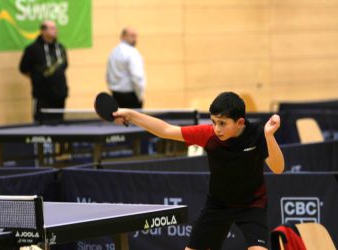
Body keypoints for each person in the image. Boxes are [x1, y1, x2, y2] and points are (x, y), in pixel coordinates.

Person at [113, 92, 285, 250]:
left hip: (252, 205)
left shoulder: (257, 134)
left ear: (240, 122)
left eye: (222, 123)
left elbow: (278, 169)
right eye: (214, 122)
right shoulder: (209, 135)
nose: (216, 128)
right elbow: (167, 130)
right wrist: (131, 115)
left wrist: (269, 136)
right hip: (218, 205)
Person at [19, 20, 68, 124]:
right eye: (52, 28)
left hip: (59, 95)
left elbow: (64, 66)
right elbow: (23, 69)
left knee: (59, 125)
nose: (55, 30)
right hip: (42, 96)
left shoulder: (61, 48)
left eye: (55, 28)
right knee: (41, 124)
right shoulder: (32, 49)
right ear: (43, 31)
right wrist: (38, 78)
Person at [106, 27, 146, 108]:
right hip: (131, 97)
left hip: (116, 95)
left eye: (135, 36)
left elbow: (108, 75)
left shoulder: (113, 52)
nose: (135, 39)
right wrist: (140, 96)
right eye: (132, 36)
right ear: (123, 36)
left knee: (119, 120)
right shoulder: (132, 53)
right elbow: (137, 77)